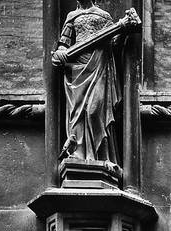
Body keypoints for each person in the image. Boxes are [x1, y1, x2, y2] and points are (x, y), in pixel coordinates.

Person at [51, 1, 122, 169]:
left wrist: (123, 30)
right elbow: (64, 44)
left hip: (98, 66)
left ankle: (102, 156)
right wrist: (60, 54)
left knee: (94, 111)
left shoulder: (103, 15)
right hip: (77, 69)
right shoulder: (72, 16)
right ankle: (78, 153)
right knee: (77, 113)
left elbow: (114, 43)